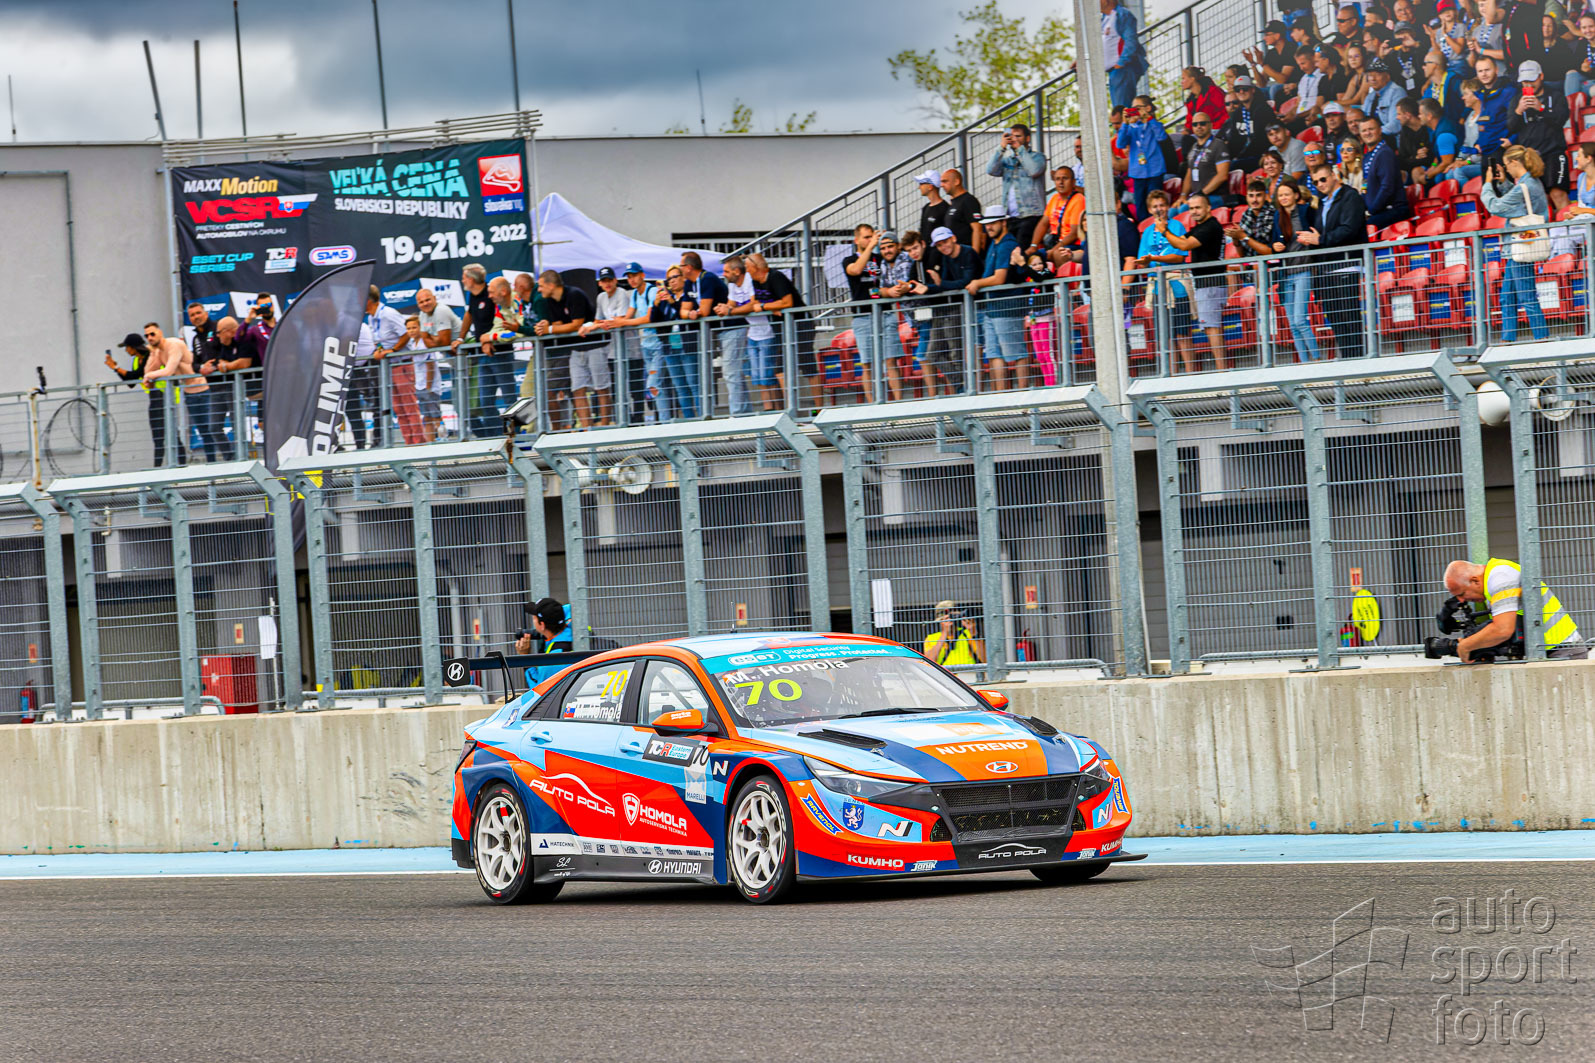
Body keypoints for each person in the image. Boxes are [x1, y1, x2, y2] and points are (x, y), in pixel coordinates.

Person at [1442, 559, 1587, 660]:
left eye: (1462, 594)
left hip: (1562, 650)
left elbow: (1502, 630)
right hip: (1549, 650)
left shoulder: (1500, 578)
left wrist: (1465, 646)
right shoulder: (1494, 577)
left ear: (1475, 581)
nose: (1462, 600)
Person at [1481, 145, 1550, 343]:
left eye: (1506, 165)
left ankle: (1541, 338)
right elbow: (1518, 201)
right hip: (1519, 246)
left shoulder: (1526, 186)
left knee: (1526, 295)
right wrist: (1504, 183)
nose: (1506, 169)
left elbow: (1496, 206)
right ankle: (1508, 338)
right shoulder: (1530, 183)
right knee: (1507, 296)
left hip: (1522, 245)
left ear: (1514, 162)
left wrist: (1487, 184)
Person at [1300, 163, 1368, 360]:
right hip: (1327, 268)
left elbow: (1349, 229)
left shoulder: (1350, 196)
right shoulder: (1322, 203)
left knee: (1349, 315)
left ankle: (1358, 359)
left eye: (1323, 179)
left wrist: (1320, 239)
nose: (1320, 184)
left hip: (1347, 264)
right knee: (1335, 317)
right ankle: (1348, 359)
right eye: (1315, 182)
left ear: (1334, 175)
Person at [1161, 193, 1229, 372]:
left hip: (1210, 283)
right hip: (1206, 284)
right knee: (1210, 327)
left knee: (1212, 328)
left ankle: (1222, 372)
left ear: (1208, 208)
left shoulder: (1210, 227)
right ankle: (1222, 370)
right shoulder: (1201, 227)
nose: (1194, 211)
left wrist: (1164, 231)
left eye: (1198, 207)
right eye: (1191, 208)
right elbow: (1180, 242)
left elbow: (1184, 246)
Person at [1134, 189, 1197, 373]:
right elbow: (1143, 259)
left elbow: (1179, 256)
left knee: (1183, 333)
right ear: (1149, 210)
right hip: (1157, 288)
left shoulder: (1177, 226)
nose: (1159, 209)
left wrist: (1154, 259)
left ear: (1168, 207)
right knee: (1166, 335)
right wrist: (1146, 262)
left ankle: (1191, 374)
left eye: (1162, 205)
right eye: (1155, 206)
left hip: (1178, 286)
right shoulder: (1147, 232)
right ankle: (1171, 376)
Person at [532, 270, 602, 429]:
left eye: (541, 286)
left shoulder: (574, 294)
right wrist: (546, 325)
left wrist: (549, 329)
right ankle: (586, 429)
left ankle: (603, 426)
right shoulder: (550, 300)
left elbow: (577, 324)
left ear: (551, 285)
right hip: (575, 349)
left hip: (595, 345)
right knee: (577, 390)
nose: (539, 289)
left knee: (601, 388)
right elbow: (558, 324)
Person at [966, 209, 1027, 390]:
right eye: (987, 224)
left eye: (993, 223)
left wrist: (977, 283)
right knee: (994, 354)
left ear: (1004, 222)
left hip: (1007, 306)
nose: (989, 227)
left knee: (1015, 353)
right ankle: (1001, 397)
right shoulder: (995, 243)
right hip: (993, 306)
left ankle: (1024, 394)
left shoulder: (1007, 244)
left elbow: (1000, 278)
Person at [918, 226, 981, 395]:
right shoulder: (945, 258)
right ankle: (961, 384)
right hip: (950, 307)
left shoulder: (968, 253)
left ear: (953, 238)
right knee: (932, 354)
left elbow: (966, 282)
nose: (943, 247)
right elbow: (945, 285)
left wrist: (939, 284)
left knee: (956, 353)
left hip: (966, 307)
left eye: (944, 242)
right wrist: (928, 288)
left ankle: (965, 390)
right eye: (939, 245)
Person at [451, 263, 511, 438]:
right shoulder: (473, 295)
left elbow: (502, 319)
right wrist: (461, 338)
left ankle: (514, 435)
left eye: (464, 277)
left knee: (509, 396)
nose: (462, 280)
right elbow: (469, 314)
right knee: (485, 400)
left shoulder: (491, 293)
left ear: (471, 279)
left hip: (500, 351)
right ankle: (495, 436)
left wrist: (489, 339)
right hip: (482, 354)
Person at [1270, 179, 1326, 361]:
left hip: (1304, 269)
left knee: (1300, 320)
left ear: (1296, 195)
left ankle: (1316, 360)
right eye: (1280, 195)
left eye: (1287, 194)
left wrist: (1311, 240)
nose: (1283, 198)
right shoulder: (1277, 216)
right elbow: (1274, 243)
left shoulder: (1306, 211)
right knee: (1293, 324)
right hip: (1285, 274)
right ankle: (1304, 362)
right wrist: (1275, 246)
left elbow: (1318, 233)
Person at [745, 253, 804, 411]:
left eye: (748, 267)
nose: (747, 270)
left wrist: (766, 306)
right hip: (780, 327)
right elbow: (755, 303)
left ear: (756, 267)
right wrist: (773, 306)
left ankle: (814, 410)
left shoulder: (776, 277)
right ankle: (788, 409)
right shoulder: (755, 281)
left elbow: (787, 302)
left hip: (800, 324)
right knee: (779, 370)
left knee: (807, 367)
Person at [612, 263, 665, 422]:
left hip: (658, 343)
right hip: (646, 345)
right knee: (656, 385)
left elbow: (648, 318)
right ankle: (662, 419)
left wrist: (622, 322)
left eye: (634, 275)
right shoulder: (635, 294)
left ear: (642, 275)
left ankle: (664, 420)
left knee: (654, 384)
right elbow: (627, 316)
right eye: (629, 277)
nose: (632, 279)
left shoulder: (651, 291)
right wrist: (611, 322)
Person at [1508, 60, 1571, 195]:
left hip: (1553, 152)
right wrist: (1518, 111)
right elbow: (1511, 128)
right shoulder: (1517, 100)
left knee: (1557, 194)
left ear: (1541, 76)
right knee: (1538, 197)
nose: (1529, 85)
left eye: (1532, 80)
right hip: (1529, 155)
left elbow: (1561, 119)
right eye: (1525, 82)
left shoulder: (1555, 96)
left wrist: (1541, 108)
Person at [578, 267, 630, 424]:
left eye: (609, 280)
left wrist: (594, 326)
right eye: (604, 281)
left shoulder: (622, 293)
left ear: (615, 280)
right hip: (612, 349)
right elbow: (599, 320)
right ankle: (619, 420)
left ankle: (633, 420)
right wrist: (592, 325)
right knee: (616, 386)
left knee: (631, 387)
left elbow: (618, 320)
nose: (607, 283)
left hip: (629, 348)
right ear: (599, 283)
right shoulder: (601, 297)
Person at [986, 124, 1048, 248]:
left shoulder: (1038, 157)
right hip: (1010, 216)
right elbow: (991, 170)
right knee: (1007, 249)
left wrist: (1020, 149)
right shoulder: (1007, 159)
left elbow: (1034, 170)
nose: (1014, 139)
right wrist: (1001, 148)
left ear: (1027, 138)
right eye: (1011, 136)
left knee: (1021, 250)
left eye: (1018, 136)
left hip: (1031, 215)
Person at [712, 255, 757, 416]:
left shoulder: (749, 280)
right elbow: (731, 304)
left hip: (757, 329)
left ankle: (738, 413)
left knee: (734, 372)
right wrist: (723, 308)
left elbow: (753, 304)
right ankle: (744, 413)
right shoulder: (732, 284)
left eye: (726, 271)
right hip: (751, 330)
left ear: (737, 271)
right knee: (735, 372)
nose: (723, 274)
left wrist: (730, 311)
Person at [651, 266, 698, 418]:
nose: (672, 281)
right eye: (669, 279)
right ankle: (690, 420)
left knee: (694, 384)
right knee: (680, 388)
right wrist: (656, 303)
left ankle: (703, 419)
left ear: (683, 277)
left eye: (675, 277)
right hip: (670, 347)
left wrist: (672, 302)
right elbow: (653, 321)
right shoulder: (666, 298)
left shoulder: (689, 296)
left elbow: (682, 313)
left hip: (688, 346)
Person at [1117, 95, 1172, 219]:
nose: (1135, 111)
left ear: (1147, 108)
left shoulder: (1154, 124)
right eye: (1132, 108)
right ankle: (1144, 228)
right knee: (1141, 206)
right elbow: (1120, 144)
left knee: (1155, 203)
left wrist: (1149, 119)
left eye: (1137, 108)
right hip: (1138, 173)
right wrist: (1125, 123)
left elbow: (1161, 137)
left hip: (1155, 171)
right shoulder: (1132, 128)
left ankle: (1159, 225)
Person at [1358, 115, 1410, 227]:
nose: (1367, 133)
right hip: (1377, 211)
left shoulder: (1385, 154)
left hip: (1393, 210)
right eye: (1364, 130)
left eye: (1371, 129)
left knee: (1363, 228)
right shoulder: (1367, 157)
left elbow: (1387, 188)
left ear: (1380, 130)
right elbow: (1365, 186)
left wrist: (1372, 210)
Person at [514, 597, 576, 685]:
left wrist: (525, 657)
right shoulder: (574, 623)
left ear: (542, 625)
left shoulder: (553, 660)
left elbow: (538, 688)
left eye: (534, 618)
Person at [1033, 166, 1086, 263]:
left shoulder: (1079, 199)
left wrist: (1054, 250)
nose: (1061, 182)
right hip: (1055, 243)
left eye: (1065, 178)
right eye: (1057, 179)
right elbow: (1043, 224)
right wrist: (1033, 246)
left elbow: (1074, 233)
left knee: (1058, 254)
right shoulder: (1054, 198)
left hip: (1073, 245)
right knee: (1031, 256)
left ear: (1073, 182)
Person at [1180, 112, 1232, 206]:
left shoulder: (1218, 145)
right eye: (1195, 124)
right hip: (1198, 197)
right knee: (1172, 211)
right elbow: (1189, 173)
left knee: (1183, 209)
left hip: (1215, 196)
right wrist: (1183, 196)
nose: (1199, 126)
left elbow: (1222, 175)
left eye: (1202, 123)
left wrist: (1201, 194)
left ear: (1210, 125)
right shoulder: (1193, 147)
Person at [1101, 0, 1147, 107]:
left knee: (1122, 108)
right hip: (1114, 71)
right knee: (1119, 107)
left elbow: (1130, 41)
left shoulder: (1122, 15)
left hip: (1122, 69)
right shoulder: (1104, 18)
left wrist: (1121, 63)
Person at [1226, 77, 1275, 171]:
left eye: (1244, 89)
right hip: (1244, 155)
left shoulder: (1263, 110)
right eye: (1237, 90)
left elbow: (1260, 140)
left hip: (1263, 154)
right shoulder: (1237, 113)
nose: (1241, 92)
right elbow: (1234, 139)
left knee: (1234, 166)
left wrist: (1239, 157)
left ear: (1252, 90)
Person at [1412, 98, 1464, 185]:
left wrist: (1428, 176)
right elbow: (1439, 155)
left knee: (1437, 179)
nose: (1419, 116)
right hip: (1444, 163)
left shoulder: (1443, 135)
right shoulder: (1437, 127)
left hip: (1457, 164)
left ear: (1429, 116)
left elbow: (1446, 162)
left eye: (1420, 114)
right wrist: (1433, 166)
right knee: (1416, 172)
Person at [922, 600, 986, 666]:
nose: (949, 621)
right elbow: (928, 663)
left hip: (968, 671)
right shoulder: (931, 638)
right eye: (945, 619)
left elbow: (985, 660)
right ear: (940, 621)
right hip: (945, 672)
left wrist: (974, 633)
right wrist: (944, 634)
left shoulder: (968, 633)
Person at [940, 168, 985, 252]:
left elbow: (977, 229)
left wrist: (974, 254)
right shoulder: (953, 203)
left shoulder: (968, 200)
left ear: (956, 182)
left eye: (945, 181)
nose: (941, 185)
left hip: (966, 253)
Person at [1181, 67, 1228, 141]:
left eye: (1183, 78)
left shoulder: (1213, 92)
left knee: (1186, 141)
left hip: (1215, 130)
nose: (1181, 82)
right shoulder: (1190, 100)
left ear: (1192, 79)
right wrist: (1186, 130)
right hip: (1199, 132)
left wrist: (1212, 127)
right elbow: (1190, 120)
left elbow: (1225, 113)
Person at [1423, 50, 1466, 129]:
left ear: (1434, 65)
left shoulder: (1455, 82)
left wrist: (1463, 117)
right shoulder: (1428, 91)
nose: (1423, 67)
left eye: (1425, 63)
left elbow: (1470, 100)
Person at [916, 170, 950, 246]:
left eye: (921, 184)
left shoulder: (945, 208)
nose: (919, 187)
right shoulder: (925, 207)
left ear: (930, 187)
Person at [1567, 13, 1595, 98]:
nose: (1588, 30)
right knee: (1571, 74)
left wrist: (1591, 70)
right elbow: (1575, 65)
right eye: (1584, 27)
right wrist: (1582, 68)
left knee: (1581, 89)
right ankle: (1572, 105)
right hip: (1588, 82)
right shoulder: (1582, 44)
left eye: (1591, 26)